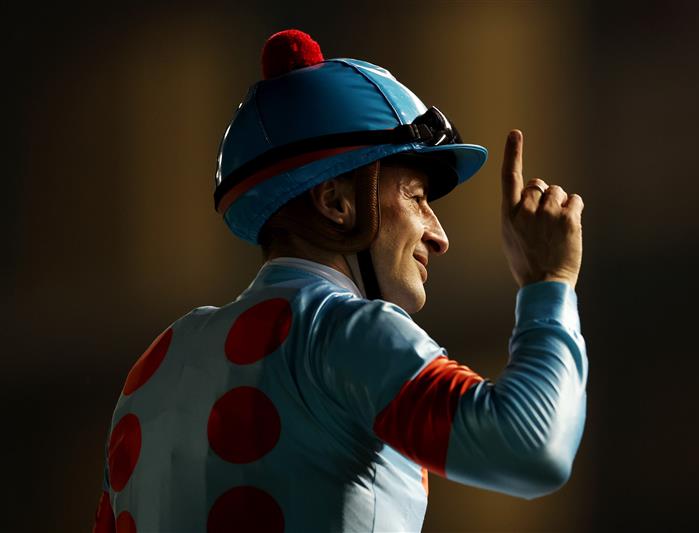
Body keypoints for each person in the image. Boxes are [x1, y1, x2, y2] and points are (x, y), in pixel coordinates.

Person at [92, 29, 588, 533]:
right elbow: (532, 448)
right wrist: (550, 282)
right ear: (336, 202)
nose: (439, 237)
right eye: (417, 198)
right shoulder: (343, 332)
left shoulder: (156, 365)